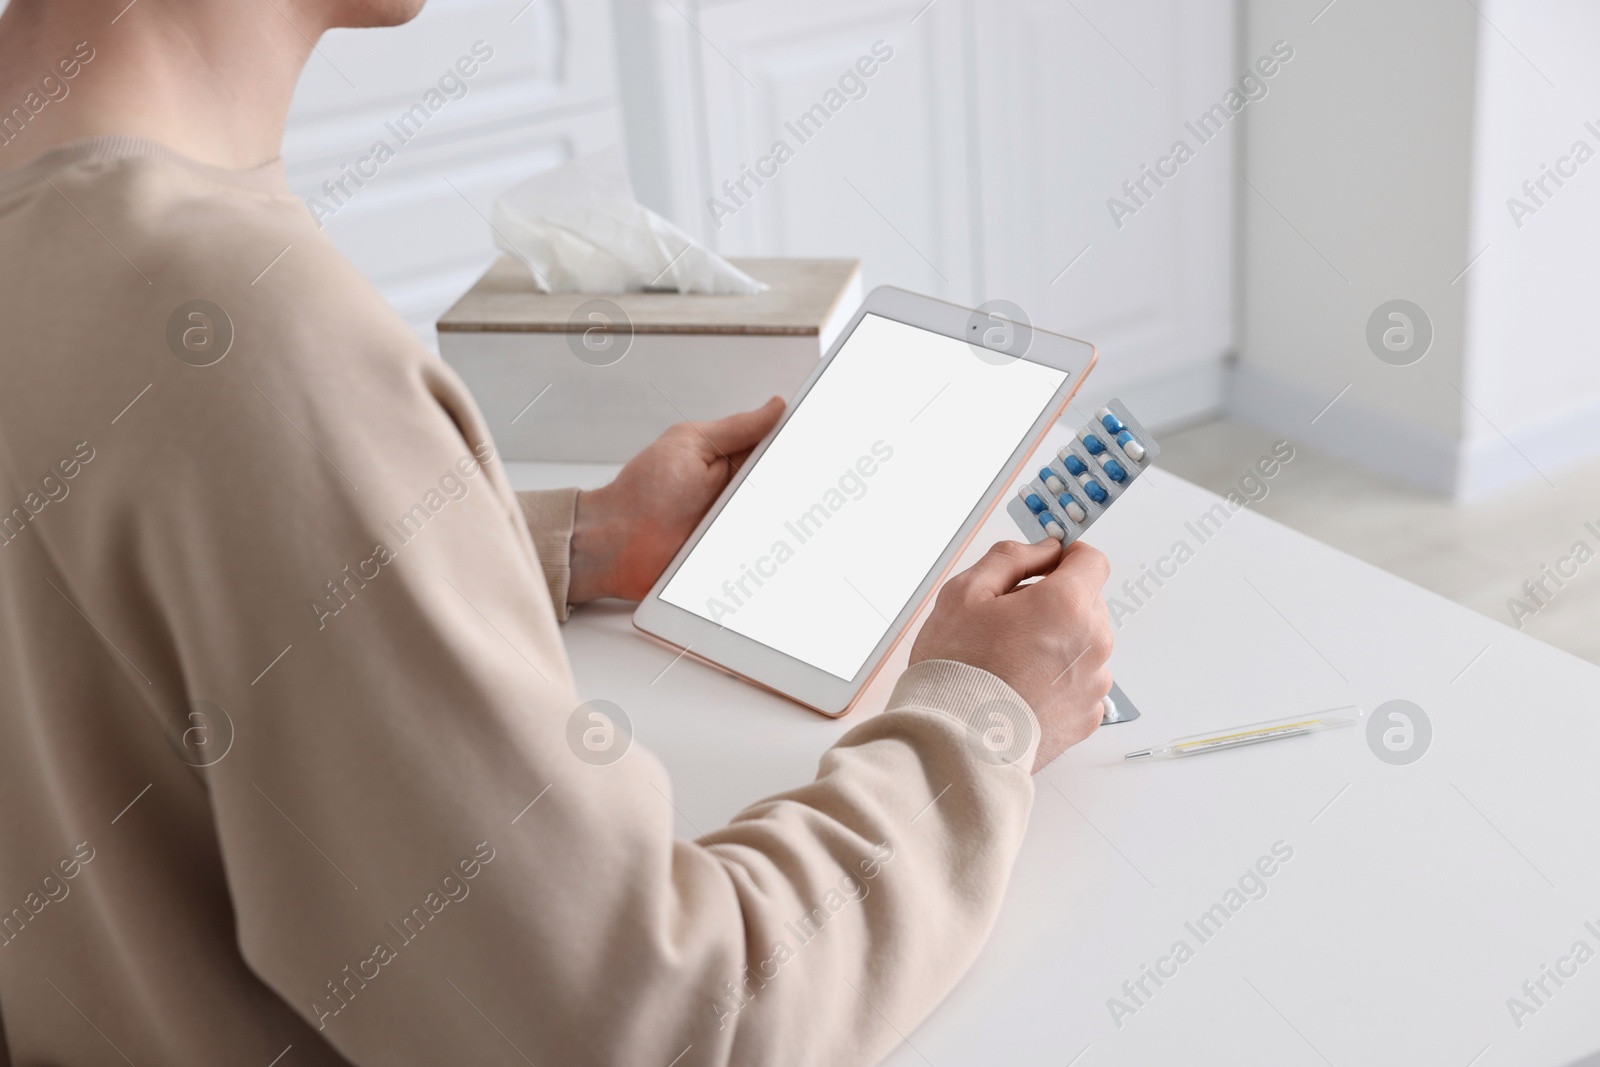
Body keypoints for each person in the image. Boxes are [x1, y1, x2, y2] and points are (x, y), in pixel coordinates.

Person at [0, 0, 1114, 1062]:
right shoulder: (245, 330)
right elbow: (656, 1025)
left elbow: (96, 595)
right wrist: (979, 718)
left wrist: (574, 537)